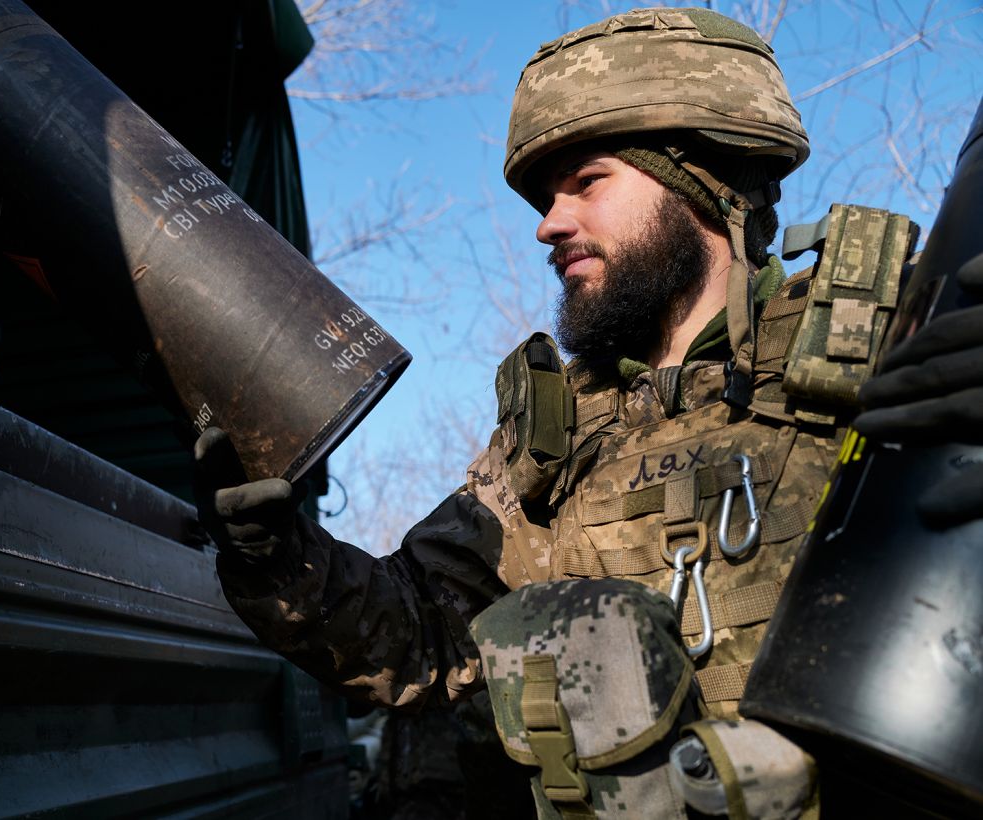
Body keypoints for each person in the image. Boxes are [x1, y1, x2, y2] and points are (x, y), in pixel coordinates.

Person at [193, 7, 983, 817]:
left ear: (701, 180)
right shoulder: (556, 432)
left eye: (587, 182)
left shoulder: (892, 333)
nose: (549, 223)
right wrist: (277, 557)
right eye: (545, 195)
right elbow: (421, 635)